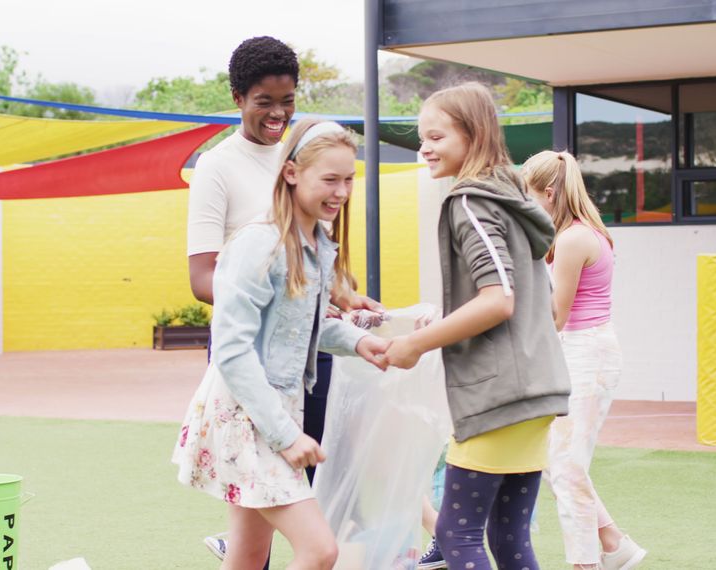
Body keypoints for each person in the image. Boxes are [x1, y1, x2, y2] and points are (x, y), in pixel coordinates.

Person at [186, 36, 383, 561]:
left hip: (287, 385)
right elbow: (227, 323)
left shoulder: (314, 233)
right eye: (264, 100)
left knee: (249, 551)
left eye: (287, 100)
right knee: (318, 548)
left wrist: (351, 331)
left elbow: (307, 312)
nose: (340, 192)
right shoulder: (233, 192)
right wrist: (259, 289)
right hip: (251, 398)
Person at [385, 82, 570, 570]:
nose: (424, 147)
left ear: (474, 135)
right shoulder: (509, 195)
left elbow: (498, 301)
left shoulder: (469, 201)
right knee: (507, 534)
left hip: (498, 396)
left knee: (455, 533)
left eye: (436, 137)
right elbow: (523, 301)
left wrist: (415, 344)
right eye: (422, 137)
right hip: (538, 387)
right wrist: (443, 321)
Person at [521, 150, 647, 570]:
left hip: (585, 352)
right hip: (583, 350)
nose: (526, 205)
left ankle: (586, 563)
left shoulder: (574, 238)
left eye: (530, 196)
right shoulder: (579, 233)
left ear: (551, 193)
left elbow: (556, 315)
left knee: (566, 469)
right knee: (558, 463)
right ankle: (613, 543)